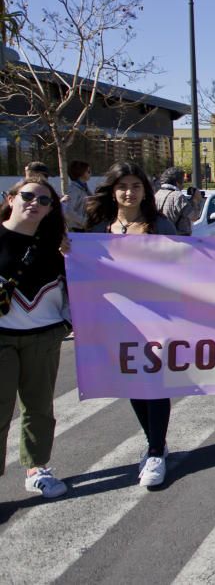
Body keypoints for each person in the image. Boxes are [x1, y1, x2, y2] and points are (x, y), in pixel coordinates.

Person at [85, 162, 177, 487]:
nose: (129, 192)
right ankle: (157, 442)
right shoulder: (97, 231)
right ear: (113, 190)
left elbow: (185, 269)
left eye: (136, 185)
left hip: (156, 319)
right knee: (132, 385)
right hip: (116, 322)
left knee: (155, 383)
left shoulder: (160, 225)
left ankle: (154, 451)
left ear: (145, 191)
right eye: (122, 185)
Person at [0, 177, 71, 498]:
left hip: (43, 338)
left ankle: (37, 467)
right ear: (11, 198)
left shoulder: (56, 246)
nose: (35, 204)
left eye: (44, 201)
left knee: (39, 408)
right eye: (28, 196)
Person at [154, 167, 199, 236]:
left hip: (162, 238)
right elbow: (194, 217)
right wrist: (196, 200)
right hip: (180, 240)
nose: (183, 186)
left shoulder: (157, 194)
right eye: (183, 182)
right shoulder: (178, 196)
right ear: (177, 183)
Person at [63, 160, 92, 232]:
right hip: (76, 229)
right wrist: (84, 222)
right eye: (88, 171)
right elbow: (68, 211)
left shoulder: (84, 187)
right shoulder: (74, 190)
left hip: (83, 228)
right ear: (80, 172)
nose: (90, 173)